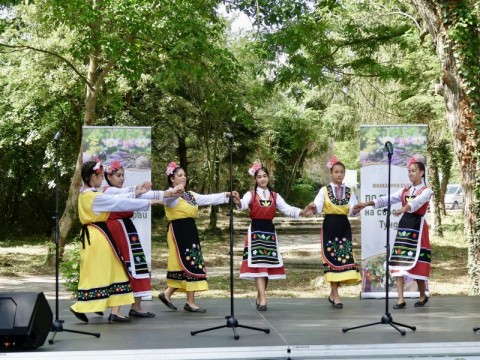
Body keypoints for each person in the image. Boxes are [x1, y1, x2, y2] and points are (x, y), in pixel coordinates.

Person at [70, 160, 168, 324]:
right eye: (100, 176)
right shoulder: (93, 197)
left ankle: (113, 311)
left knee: (111, 272)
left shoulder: (86, 194)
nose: (102, 179)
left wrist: (137, 192)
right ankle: (84, 306)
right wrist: (147, 202)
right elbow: (119, 202)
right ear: (93, 177)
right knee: (107, 272)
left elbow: (120, 197)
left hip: (96, 235)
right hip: (98, 237)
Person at [103, 160, 184, 318]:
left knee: (137, 263)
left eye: (123, 175)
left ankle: (136, 306)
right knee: (125, 265)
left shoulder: (120, 191)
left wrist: (170, 193)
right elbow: (129, 196)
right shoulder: (109, 191)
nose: (121, 178)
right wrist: (144, 194)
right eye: (118, 175)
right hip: (118, 229)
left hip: (127, 229)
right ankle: (115, 310)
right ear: (108, 176)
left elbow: (139, 196)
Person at [157, 161, 238, 313]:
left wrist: (226, 194)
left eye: (184, 175)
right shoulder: (170, 196)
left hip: (190, 230)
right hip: (178, 231)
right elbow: (168, 200)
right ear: (172, 179)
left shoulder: (190, 195)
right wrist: (175, 191)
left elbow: (208, 198)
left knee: (191, 262)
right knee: (186, 262)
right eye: (179, 175)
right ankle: (189, 301)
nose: (183, 178)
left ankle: (168, 294)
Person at [232, 162, 313, 311]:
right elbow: (243, 204)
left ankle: (260, 296)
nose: (262, 179)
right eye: (259, 177)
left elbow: (288, 209)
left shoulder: (275, 196)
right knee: (259, 266)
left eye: (264, 176)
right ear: (255, 179)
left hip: (269, 232)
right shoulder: (251, 194)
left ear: (269, 178)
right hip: (255, 231)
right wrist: (238, 202)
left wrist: (303, 212)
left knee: (267, 267)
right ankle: (263, 299)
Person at [354, 156, 432, 309]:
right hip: (404, 229)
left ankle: (422, 295)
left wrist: (405, 208)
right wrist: (367, 204)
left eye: (414, 171)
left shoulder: (426, 191)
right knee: (398, 263)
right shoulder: (405, 190)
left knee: (416, 263)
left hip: (418, 228)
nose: (411, 174)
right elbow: (387, 199)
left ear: (422, 172)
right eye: (409, 171)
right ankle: (400, 299)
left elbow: (416, 203)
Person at [309, 156, 361, 308]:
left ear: (344, 174)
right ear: (331, 173)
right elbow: (318, 207)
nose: (339, 174)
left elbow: (352, 210)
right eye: (336, 172)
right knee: (332, 259)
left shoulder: (349, 190)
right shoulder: (324, 190)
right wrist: (313, 207)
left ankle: (333, 293)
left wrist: (356, 209)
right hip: (330, 226)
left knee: (343, 258)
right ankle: (336, 295)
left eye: (341, 172)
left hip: (344, 226)